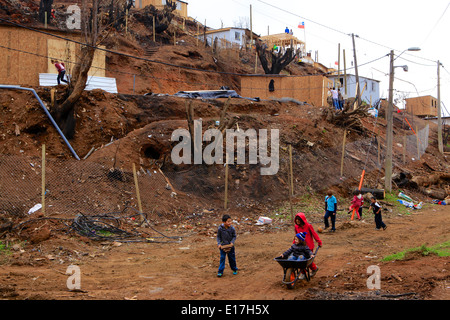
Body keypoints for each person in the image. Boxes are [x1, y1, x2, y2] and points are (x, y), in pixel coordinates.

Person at [294, 212, 322, 277]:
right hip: (301, 246)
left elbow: (314, 234)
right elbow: (296, 235)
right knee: (301, 259)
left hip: (309, 246)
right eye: (296, 219)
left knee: (307, 259)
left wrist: (319, 241)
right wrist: (294, 243)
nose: (297, 221)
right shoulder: (296, 227)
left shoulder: (308, 226)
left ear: (302, 220)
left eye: (299, 219)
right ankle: (307, 270)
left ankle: (309, 270)